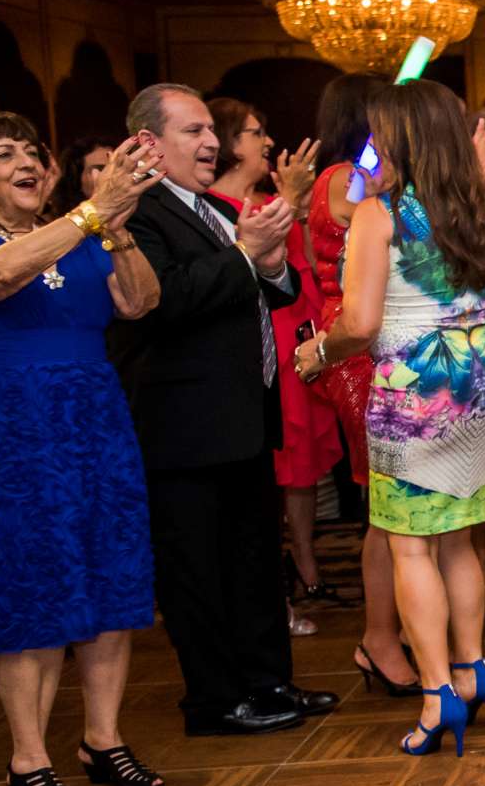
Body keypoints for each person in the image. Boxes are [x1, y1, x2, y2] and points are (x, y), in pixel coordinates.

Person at [297, 86, 485, 756]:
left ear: (400, 138)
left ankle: (435, 695)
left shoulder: (382, 213)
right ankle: (472, 667)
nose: (375, 146)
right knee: (460, 534)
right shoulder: (482, 202)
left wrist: (316, 351)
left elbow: (361, 324)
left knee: (409, 542)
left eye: (381, 134)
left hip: (418, 384)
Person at [115, 84, 339, 735]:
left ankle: (268, 681)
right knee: (197, 572)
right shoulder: (138, 212)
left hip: (240, 416)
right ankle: (214, 701)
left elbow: (277, 286)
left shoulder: (212, 207)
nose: (211, 142)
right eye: (193, 131)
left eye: (212, 129)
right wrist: (246, 253)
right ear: (149, 143)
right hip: (182, 425)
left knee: (251, 562)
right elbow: (168, 300)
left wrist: (267, 261)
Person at [0, 119, 164, 786]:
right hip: (11, 426)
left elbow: (139, 301)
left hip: (95, 419)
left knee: (112, 574)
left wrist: (116, 227)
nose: (26, 163)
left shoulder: (80, 232)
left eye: (33, 153)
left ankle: (103, 740)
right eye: (5, 155)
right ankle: (29, 758)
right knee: (34, 586)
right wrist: (92, 213)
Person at [303, 74, 418, 694]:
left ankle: (397, 629)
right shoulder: (342, 178)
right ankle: (378, 636)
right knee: (386, 503)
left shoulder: (371, 172)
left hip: (389, 346)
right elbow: (367, 206)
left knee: (400, 502)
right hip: (355, 347)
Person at [206, 98, 340, 628]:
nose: (266, 142)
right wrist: (289, 199)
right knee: (272, 464)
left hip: (301, 333)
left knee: (302, 463)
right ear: (226, 142)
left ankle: (305, 560)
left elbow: (306, 260)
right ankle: (273, 582)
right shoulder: (213, 206)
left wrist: (299, 208)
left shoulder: (272, 198)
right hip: (261, 343)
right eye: (254, 133)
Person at [49, 135, 115, 221]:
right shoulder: (63, 227)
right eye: (101, 169)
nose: (112, 175)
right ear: (76, 181)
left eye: (116, 168)